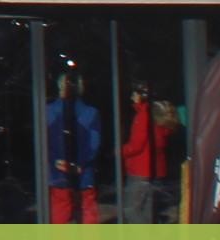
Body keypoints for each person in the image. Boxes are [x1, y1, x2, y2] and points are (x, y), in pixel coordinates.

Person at [45, 69, 106, 224]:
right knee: (87, 213)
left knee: (60, 215)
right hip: (84, 174)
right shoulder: (91, 113)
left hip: (57, 174)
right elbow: (94, 144)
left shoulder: (48, 112)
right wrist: (80, 164)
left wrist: (56, 161)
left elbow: (45, 143)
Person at [118, 81, 179, 225]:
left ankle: (143, 237)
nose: (132, 97)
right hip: (154, 172)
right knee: (147, 211)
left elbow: (137, 145)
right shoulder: (156, 117)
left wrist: (120, 152)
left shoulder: (142, 116)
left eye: (134, 94)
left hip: (140, 170)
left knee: (131, 210)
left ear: (141, 96)